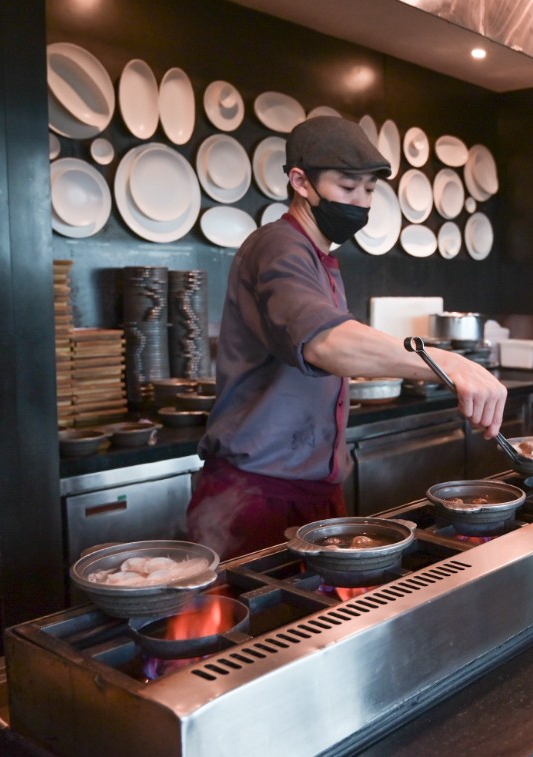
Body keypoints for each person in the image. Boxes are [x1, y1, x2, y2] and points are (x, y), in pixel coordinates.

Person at [188, 116, 507, 559]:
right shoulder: (278, 245)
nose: (361, 201)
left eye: (370, 190)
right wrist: (446, 363)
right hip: (256, 493)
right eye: (347, 187)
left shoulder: (319, 258)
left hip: (315, 487)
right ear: (300, 181)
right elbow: (326, 342)